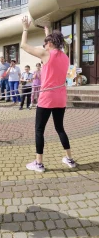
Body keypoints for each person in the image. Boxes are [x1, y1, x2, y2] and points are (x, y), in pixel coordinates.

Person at [21, 16, 76, 172]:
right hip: (61, 98)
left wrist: (25, 28)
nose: (44, 45)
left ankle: (39, 163)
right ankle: (70, 159)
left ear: (50, 43)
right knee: (60, 128)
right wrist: (47, 31)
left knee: (39, 130)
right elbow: (55, 44)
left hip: (47, 98)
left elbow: (24, 45)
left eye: (46, 42)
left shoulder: (45, 55)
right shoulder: (65, 56)